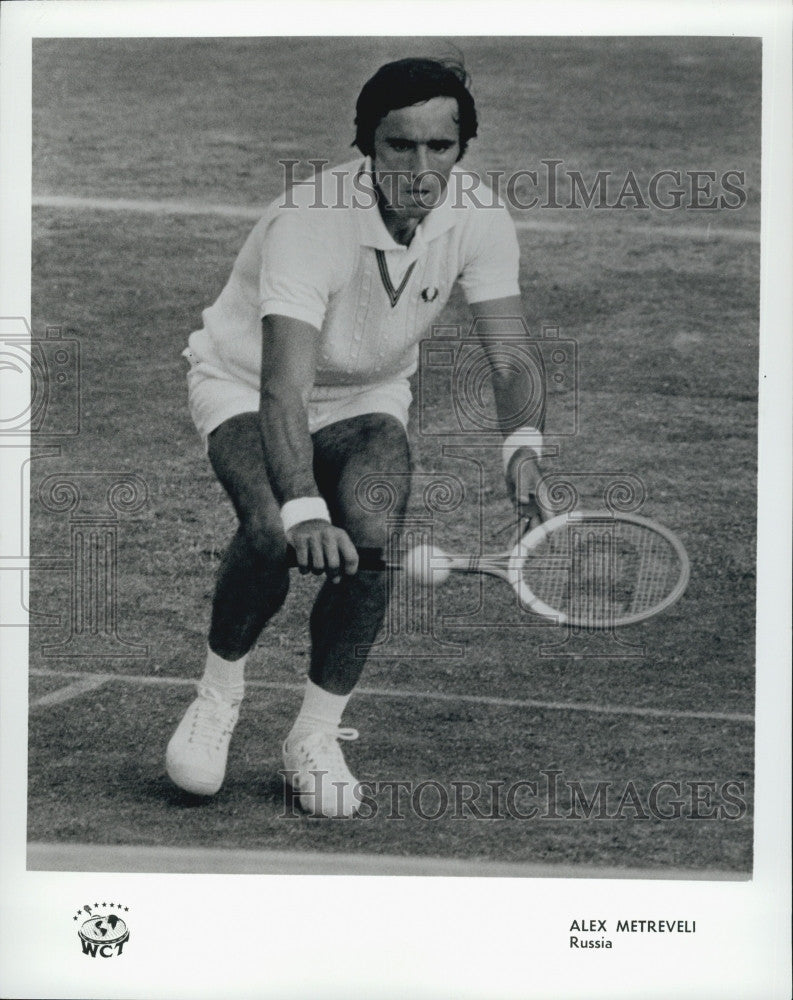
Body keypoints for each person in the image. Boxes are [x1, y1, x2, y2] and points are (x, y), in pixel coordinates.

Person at [165, 56, 545, 817]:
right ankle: (217, 697)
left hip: (368, 394)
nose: (418, 166)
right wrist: (305, 506)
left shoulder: (479, 215)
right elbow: (284, 388)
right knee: (271, 531)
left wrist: (522, 447)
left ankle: (315, 733)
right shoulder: (311, 220)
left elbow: (507, 353)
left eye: (439, 146)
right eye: (398, 145)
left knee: (369, 539)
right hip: (245, 382)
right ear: (366, 144)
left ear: (462, 147)